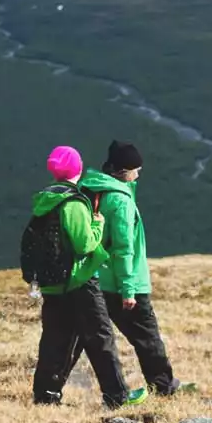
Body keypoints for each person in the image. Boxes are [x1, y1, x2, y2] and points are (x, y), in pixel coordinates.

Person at [31, 145, 147, 409]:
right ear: (77, 168)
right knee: (101, 337)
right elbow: (85, 245)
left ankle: (45, 396)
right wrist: (97, 224)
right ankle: (117, 397)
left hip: (53, 283)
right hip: (80, 279)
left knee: (54, 339)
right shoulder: (73, 201)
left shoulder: (45, 199)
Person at [79, 140, 181, 396]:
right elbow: (124, 249)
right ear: (124, 172)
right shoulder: (121, 201)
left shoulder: (87, 190)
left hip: (91, 279)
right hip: (122, 282)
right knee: (147, 337)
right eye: (136, 168)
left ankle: (50, 391)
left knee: (86, 339)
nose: (139, 173)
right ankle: (163, 387)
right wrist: (128, 289)